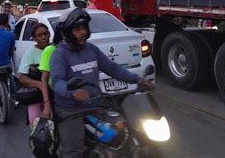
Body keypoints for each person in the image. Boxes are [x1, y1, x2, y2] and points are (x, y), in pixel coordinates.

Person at [50, 8, 154, 157]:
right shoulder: (59, 54)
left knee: (125, 134)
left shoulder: (91, 49)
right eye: (77, 29)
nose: (83, 32)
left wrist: (138, 80)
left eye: (84, 28)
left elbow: (112, 69)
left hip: (96, 104)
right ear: (67, 32)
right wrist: (72, 92)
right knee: (73, 152)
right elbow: (57, 82)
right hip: (70, 110)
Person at [18, 23, 50, 127]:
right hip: (37, 95)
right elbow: (22, 77)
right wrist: (39, 84)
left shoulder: (55, 50)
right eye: (39, 35)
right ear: (34, 38)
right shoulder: (30, 53)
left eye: (45, 33)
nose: (43, 37)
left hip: (56, 94)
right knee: (34, 122)